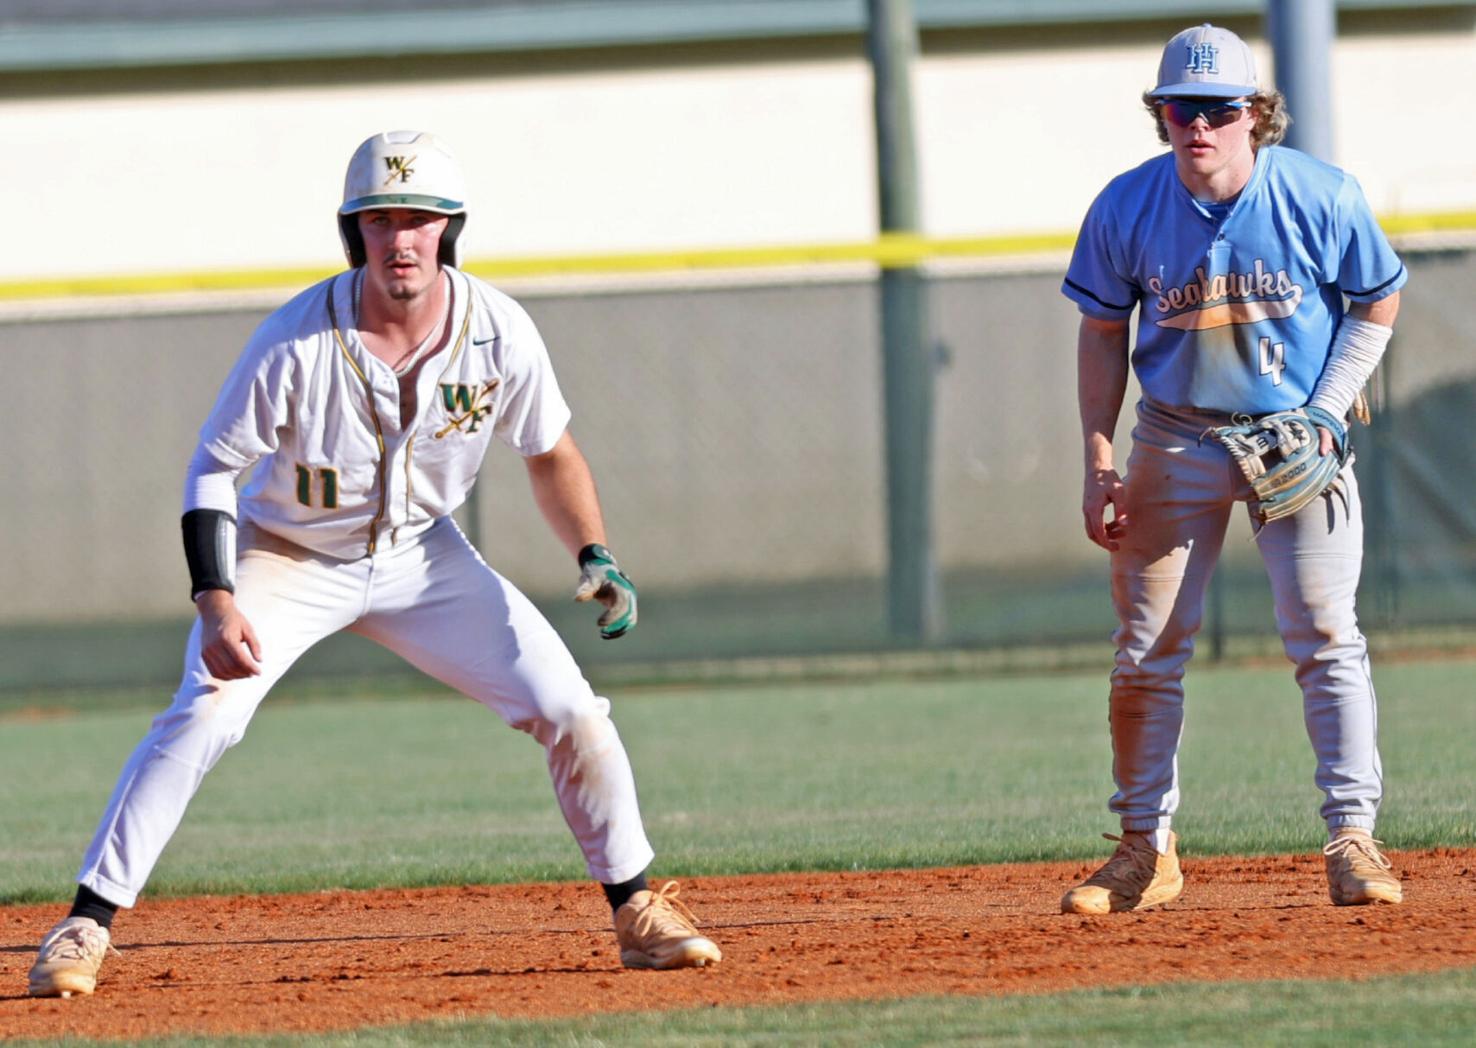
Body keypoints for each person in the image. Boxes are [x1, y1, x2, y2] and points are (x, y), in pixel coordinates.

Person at [28, 130, 721, 997]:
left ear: (449, 230)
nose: (402, 238)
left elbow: (550, 453)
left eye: (421, 219)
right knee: (207, 714)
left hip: (422, 557)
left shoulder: (498, 329)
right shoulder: (295, 340)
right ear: (352, 232)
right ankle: (85, 925)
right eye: (380, 218)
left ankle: (638, 910)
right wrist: (216, 599)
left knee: (571, 708)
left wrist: (595, 552)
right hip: (286, 554)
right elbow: (213, 468)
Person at [1060, 25, 1406, 913]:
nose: (1200, 126)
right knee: (1144, 654)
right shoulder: (1126, 206)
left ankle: (1354, 839)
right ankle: (1145, 848)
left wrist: (1329, 409)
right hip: (1175, 438)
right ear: (1162, 115)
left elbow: (1377, 301)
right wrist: (1100, 458)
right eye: (1182, 108)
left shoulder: (1321, 195)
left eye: (1220, 108)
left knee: (1326, 634)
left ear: (1256, 115)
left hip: (1298, 434)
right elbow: (1103, 335)